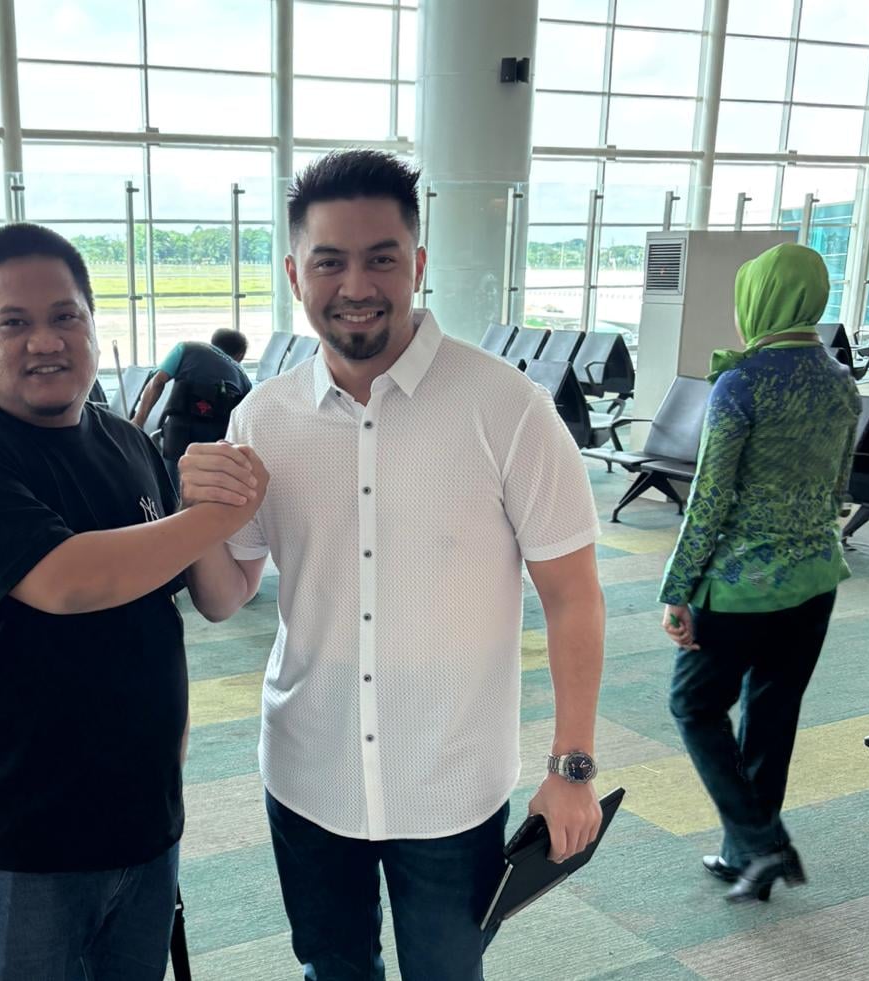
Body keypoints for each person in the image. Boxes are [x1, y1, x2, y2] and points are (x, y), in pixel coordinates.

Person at [182, 150, 607, 980]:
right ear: (295, 274)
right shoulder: (262, 418)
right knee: (333, 969)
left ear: (416, 264)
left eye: (381, 258)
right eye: (329, 262)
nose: (356, 285)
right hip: (308, 771)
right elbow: (228, 594)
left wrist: (573, 765)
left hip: (450, 783)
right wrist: (197, 516)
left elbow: (573, 596)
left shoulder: (507, 407)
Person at [0, 223, 266, 981]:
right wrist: (209, 518)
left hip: (142, 822)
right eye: (13, 322)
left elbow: (219, 597)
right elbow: (68, 581)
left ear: (94, 322)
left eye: (65, 316)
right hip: (18, 839)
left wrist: (227, 505)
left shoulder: (125, 443)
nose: (45, 342)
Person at [659, 243, 861, 905]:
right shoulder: (842, 380)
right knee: (772, 715)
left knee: (693, 705)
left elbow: (709, 498)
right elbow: (839, 486)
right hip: (816, 581)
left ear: (760, 300)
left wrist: (678, 589)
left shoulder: (740, 382)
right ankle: (745, 853)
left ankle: (760, 841)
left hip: (742, 587)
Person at [132, 328, 253, 483]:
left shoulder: (186, 348)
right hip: (216, 442)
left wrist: (138, 420)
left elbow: (157, 382)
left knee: (173, 485)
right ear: (240, 356)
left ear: (213, 342)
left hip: (180, 431)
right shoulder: (244, 379)